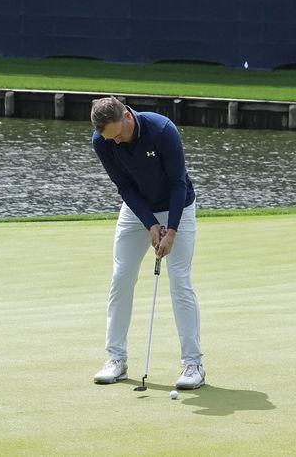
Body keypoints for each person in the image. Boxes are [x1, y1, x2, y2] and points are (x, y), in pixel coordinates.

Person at [90, 96, 204, 390]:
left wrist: (172, 230)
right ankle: (116, 359)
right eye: (108, 137)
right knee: (121, 278)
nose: (114, 142)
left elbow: (179, 182)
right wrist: (151, 224)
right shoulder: (102, 141)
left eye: (117, 135)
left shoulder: (162, 130)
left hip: (178, 205)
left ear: (127, 116)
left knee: (179, 281)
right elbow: (124, 186)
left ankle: (193, 364)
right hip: (137, 208)